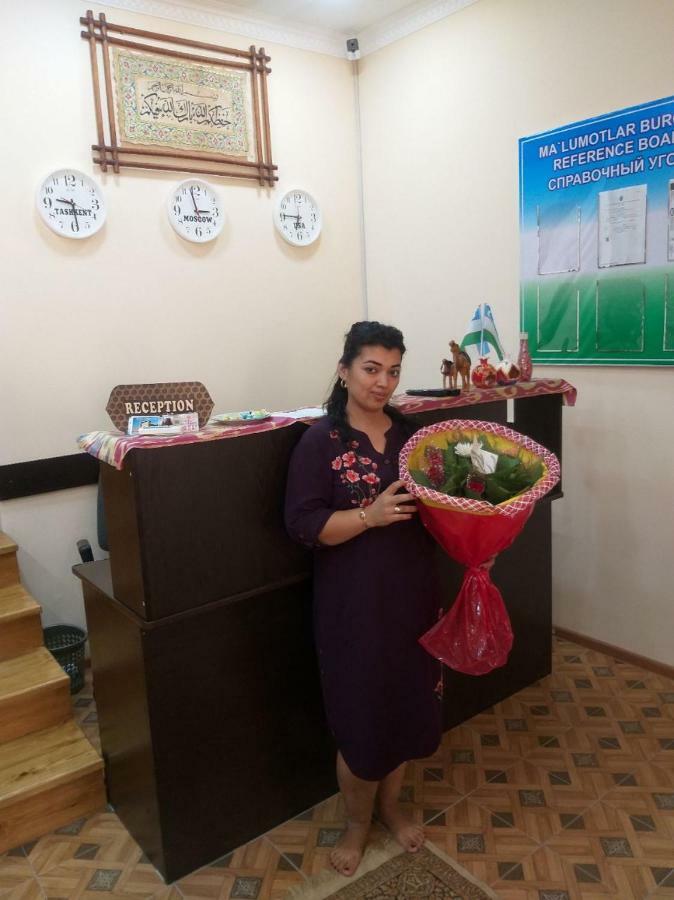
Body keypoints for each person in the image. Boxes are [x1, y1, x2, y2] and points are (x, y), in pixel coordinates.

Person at [284, 321, 443, 877]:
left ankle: (392, 807)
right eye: (372, 369)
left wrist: (477, 545)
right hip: (353, 604)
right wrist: (368, 517)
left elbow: (439, 507)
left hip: (414, 594)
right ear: (345, 370)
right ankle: (356, 823)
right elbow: (303, 524)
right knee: (362, 714)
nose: (383, 382)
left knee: (402, 704)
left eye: (393, 371)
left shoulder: (410, 435)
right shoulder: (319, 441)